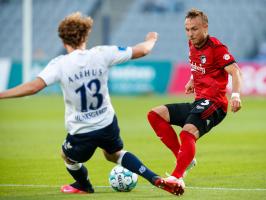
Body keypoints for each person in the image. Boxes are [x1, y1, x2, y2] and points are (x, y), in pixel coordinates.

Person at [0, 12, 182, 196]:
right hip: (107, 123)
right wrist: (151, 39)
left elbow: (33, 87)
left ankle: (83, 185)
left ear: (63, 41)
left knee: (67, 157)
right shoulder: (101, 53)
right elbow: (143, 50)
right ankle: (155, 178)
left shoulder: (59, 64)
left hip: (81, 131)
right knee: (115, 154)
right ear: (86, 36)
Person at [147, 8, 242, 195]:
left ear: (205, 27)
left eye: (195, 29)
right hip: (199, 101)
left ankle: (176, 176)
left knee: (187, 132)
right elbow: (198, 66)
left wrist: (236, 96)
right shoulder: (192, 45)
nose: (190, 34)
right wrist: (192, 79)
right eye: (187, 29)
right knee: (155, 115)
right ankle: (184, 159)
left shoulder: (217, 48)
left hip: (215, 104)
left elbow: (235, 71)